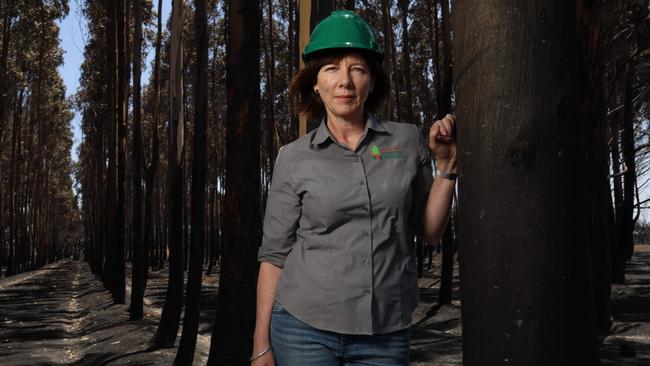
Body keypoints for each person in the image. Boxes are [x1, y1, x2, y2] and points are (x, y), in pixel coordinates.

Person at [251, 10, 456, 366]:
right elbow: (274, 256)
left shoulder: (406, 141)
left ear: (371, 81)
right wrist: (260, 344)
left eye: (357, 69)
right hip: (303, 329)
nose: (344, 81)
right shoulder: (293, 158)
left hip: (385, 332)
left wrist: (448, 167)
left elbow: (430, 232)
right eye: (331, 69)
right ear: (315, 82)